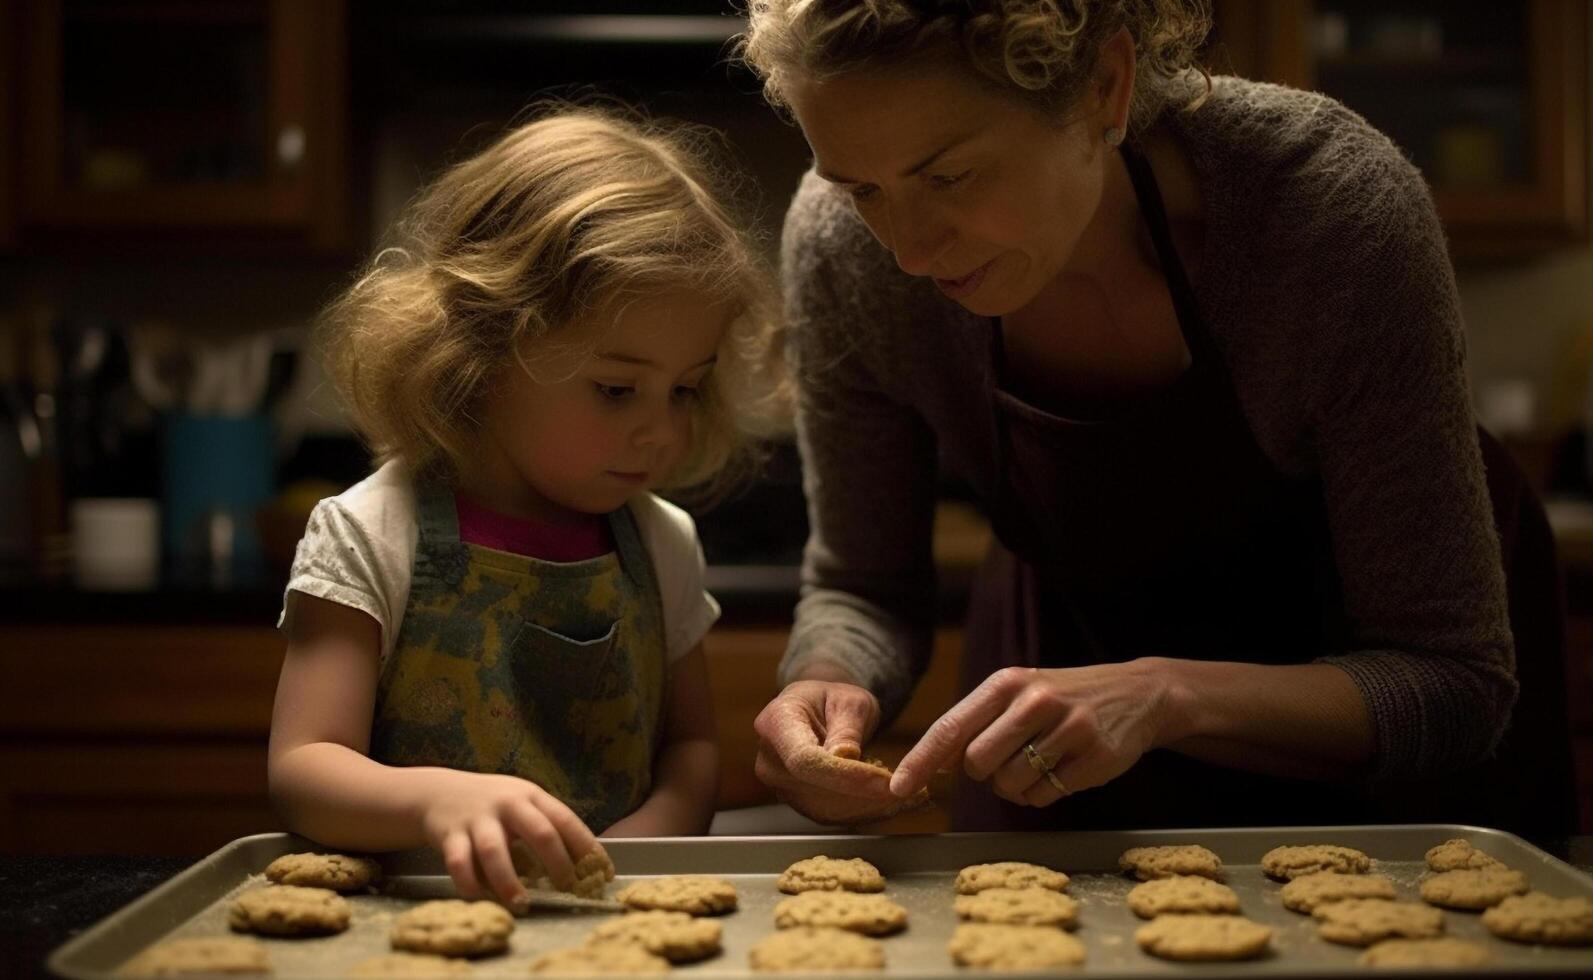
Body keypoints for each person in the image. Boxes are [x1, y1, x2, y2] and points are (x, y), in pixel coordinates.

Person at [740, 0, 1529, 831]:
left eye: (949, 176)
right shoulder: (843, 248)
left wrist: (1163, 694)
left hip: (1378, 792)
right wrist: (823, 681)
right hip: (1056, 737)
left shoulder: (1320, 211)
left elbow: (1451, 685)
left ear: (1103, 89)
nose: (905, 249)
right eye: (863, 189)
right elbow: (863, 588)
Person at [268, 108, 784, 909]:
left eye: (685, 388)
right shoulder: (374, 534)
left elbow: (687, 752)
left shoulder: (660, 542)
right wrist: (438, 801)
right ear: (484, 346)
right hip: (415, 925)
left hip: (612, 921)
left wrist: (638, 849)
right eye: (616, 389)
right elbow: (305, 766)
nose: (661, 429)